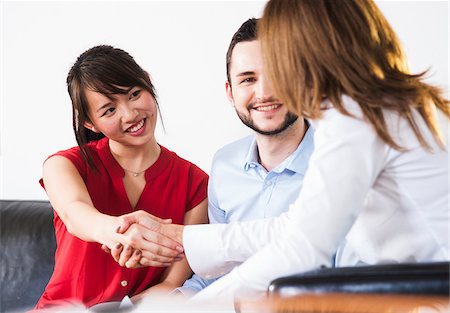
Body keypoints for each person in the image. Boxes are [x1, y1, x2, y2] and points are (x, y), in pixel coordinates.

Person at [116, 0, 449, 307]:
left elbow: (303, 245)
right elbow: (296, 228)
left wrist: (199, 308)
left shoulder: (358, 117)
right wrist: (184, 240)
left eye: (281, 53)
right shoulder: (386, 105)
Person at [34, 45, 208, 310]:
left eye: (134, 94)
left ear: (148, 82)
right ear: (89, 123)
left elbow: (171, 284)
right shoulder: (65, 165)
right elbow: (74, 214)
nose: (130, 114)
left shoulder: (196, 184)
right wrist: (122, 234)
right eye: (109, 110)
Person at [177, 18, 314, 295]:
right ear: (230, 93)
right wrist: (174, 300)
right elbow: (219, 271)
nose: (264, 93)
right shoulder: (225, 164)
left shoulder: (340, 162)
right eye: (248, 79)